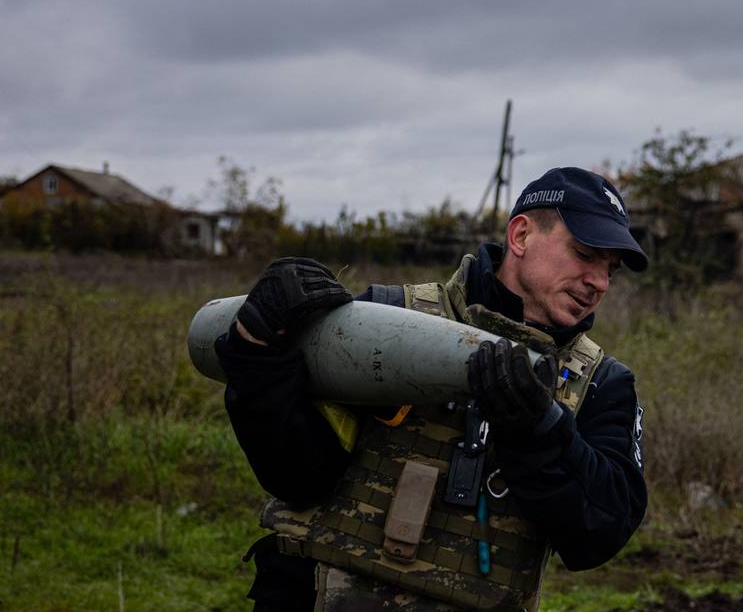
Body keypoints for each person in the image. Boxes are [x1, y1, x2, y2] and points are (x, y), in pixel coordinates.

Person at [215, 167, 649, 611]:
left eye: (610, 269)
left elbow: (600, 534)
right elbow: (296, 475)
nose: (599, 282)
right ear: (521, 236)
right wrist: (258, 353)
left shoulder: (602, 384)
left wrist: (539, 428)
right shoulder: (385, 320)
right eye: (585, 254)